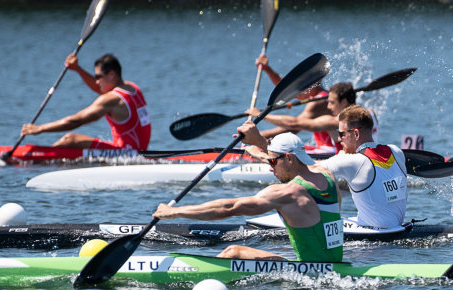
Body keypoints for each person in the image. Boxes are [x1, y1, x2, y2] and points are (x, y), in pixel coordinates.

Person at [153, 131, 343, 262]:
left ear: (290, 158)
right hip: (335, 264)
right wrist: (258, 151)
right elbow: (294, 166)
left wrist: (175, 212)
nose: (270, 167)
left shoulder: (288, 193)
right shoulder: (327, 176)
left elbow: (230, 208)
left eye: (272, 162)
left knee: (232, 253)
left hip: (310, 271)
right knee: (236, 252)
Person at [20, 53, 151, 150]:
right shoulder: (132, 88)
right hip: (139, 151)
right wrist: (77, 69)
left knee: (70, 139)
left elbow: (76, 121)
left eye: (98, 77)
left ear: (111, 74)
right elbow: (100, 88)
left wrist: (39, 128)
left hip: (126, 154)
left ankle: (38, 159)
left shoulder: (112, 99)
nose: (97, 82)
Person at [315, 105, 408, 230]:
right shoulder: (396, 151)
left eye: (342, 134)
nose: (338, 139)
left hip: (373, 246)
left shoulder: (355, 162)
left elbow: (311, 169)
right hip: (397, 229)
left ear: (356, 134)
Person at [248, 80, 379, 154]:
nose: (328, 107)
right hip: (371, 157)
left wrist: (261, 115)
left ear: (344, 102)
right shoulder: (370, 113)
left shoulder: (337, 121)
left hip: (349, 164)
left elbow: (295, 124)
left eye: (332, 102)